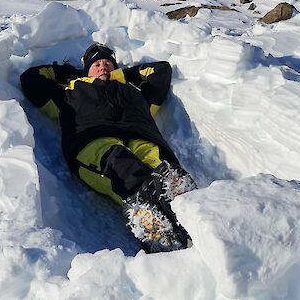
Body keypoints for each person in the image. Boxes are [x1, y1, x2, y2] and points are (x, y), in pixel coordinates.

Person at [20, 43, 197, 253]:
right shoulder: (68, 93)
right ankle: (148, 215)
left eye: (107, 63)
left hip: (140, 135)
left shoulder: (133, 90)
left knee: (161, 166)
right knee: (120, 163)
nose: (103, 67)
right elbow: (30, 79)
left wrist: (124, 75)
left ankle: (187, 207)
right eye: (96, 64)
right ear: (86, 69)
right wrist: (69, 73)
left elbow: (161, 71)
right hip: (93, 139)